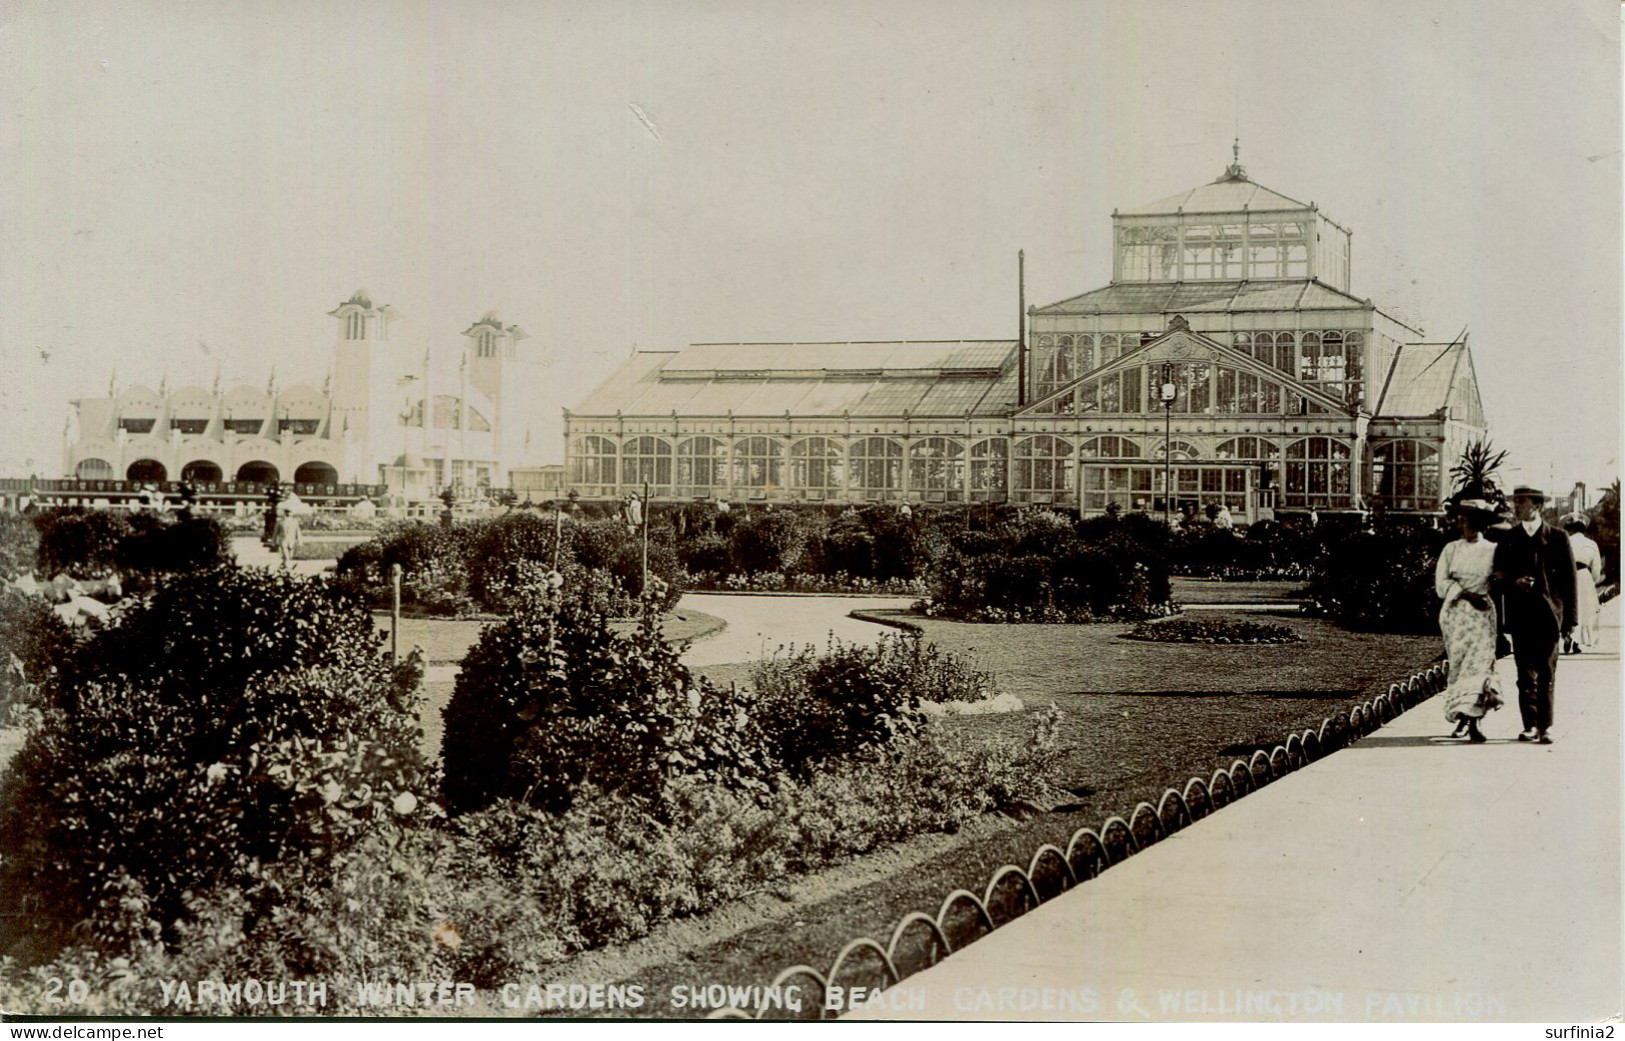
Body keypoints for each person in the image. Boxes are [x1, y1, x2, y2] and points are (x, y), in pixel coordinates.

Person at [1490, 486, 1577, 745]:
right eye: (1515, 502)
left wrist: (1571, 621)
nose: (1516, 506)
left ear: (1537, 506)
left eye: (1522, 502)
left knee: (1547, 672)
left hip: (1550, 616)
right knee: (1524, 674)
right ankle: (1529, 725)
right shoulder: (1509, 538)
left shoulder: (1558, 537)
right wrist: (1514, 582)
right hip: (1521, 615)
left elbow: (1570, 581)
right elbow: (1497, 576)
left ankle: (1546, 726)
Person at [1435, 499, 1504, 742]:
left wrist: (1493, 583)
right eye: (1461, 520)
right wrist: (1466, 594)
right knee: (1460, 666)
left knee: (1480, 666)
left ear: (1479, 524)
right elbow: (1441, 583)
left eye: (1468, 520)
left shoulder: (1493, 550)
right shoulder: (1451, 549)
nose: (1462, 525)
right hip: (1457, 615)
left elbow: (1500, 577)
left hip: (1483, 615)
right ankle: (1462, 718)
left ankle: (1475, 721)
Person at [1563, 513, 1603, 652]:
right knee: (1584, 608)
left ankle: (1567, 634)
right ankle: (1576, 641)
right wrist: (1593, 581)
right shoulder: (1591, 544)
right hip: (1584, 575)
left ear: (1569, 529)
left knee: (1567, 605)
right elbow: (1596, 568)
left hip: (1567, 574)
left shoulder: (1564, 541)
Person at [273, 488, 304, 566]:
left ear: (291, 513)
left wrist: (300, 541)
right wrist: (274, 542)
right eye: (286, 512)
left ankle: (283, 566)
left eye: (289, 512)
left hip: (291, 541)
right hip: (283, 540)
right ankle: (287, 564)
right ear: (284, 512)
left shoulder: (294, 522)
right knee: (286, 556)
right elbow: (275, 533)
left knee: (289, 556)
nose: (288, 513)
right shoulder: (280, 522)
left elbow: (298, 532)